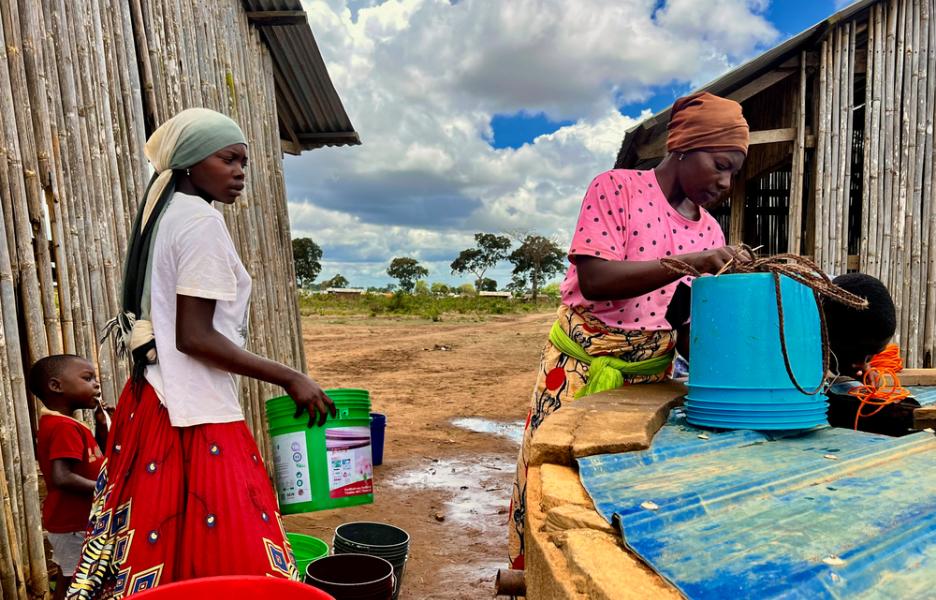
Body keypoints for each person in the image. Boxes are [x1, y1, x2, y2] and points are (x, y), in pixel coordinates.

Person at [68, 108, 335, 599]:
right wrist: (290, 376)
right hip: (195, 409)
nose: (239, 173)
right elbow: (195, 337)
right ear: (191, 162)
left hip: (153, 400)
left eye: (244, 163)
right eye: (228, 159)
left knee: (160, 540)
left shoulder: (165, 217)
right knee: (233, 541)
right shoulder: (200, 224)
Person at [508, 91, 752, 568]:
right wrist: (690, 261)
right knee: (550, 478)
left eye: (733, 174)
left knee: (620, 490)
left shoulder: (710, 233)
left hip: (650, 379)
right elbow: (598, 281)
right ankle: (534, 578)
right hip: (579, 367)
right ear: (683, 146)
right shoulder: (616, 188)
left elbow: (683, 316)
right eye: (719, 165)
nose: (725, 183)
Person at [29, 355, 107, 600]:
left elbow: (95, 458)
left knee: (68, 576)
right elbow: (62, 477)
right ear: (56, 386)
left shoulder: (62, 423)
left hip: (70, 521)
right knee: (79, 581)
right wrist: (104, 489)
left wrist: (101, 426)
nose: (96, 384)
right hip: (73, 523)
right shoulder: (64, 428)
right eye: (87, 378)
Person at [825, 273, 897, 380]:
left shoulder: (840, 293)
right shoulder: (796, 314)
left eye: (871, 355)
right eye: (855, 352)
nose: (861, 363)